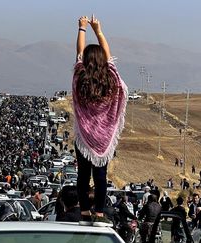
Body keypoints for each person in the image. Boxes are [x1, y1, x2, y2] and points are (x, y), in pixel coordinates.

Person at [73, 15, 127, 227]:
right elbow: (109, 57)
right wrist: (99, 30)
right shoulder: (111, 78)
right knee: (101, 175)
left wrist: (82, 29)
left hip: (84, 137)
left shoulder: (80, 77)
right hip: (104, 139)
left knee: (83, 176)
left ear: (85, 61)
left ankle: (85, 211)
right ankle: (99, 212)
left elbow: (78, 53)